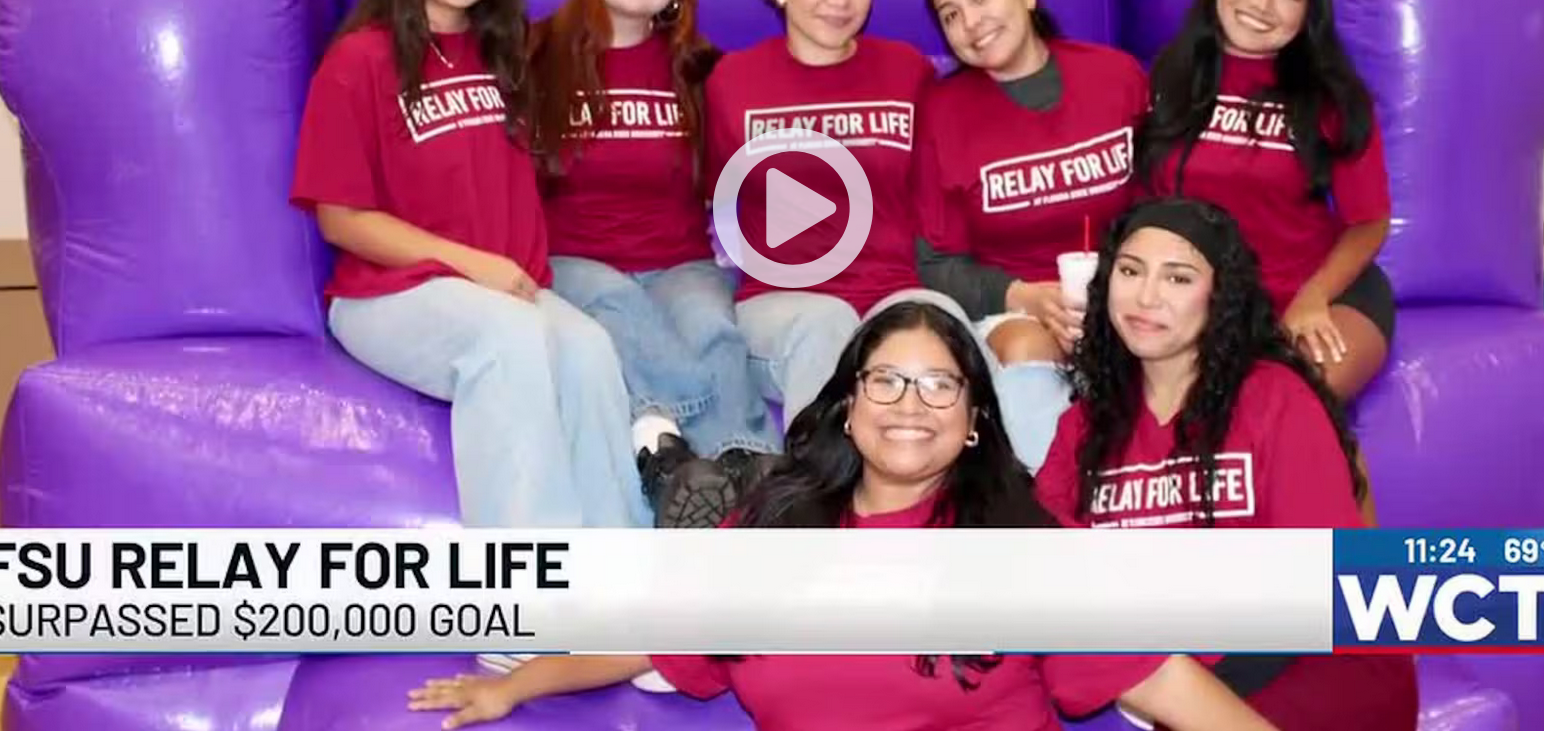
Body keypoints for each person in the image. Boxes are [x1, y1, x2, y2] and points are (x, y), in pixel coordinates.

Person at [408, 301, 1281, 731]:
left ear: (977, 418)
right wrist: (514, 684)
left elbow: (1177, 691)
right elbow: (651, 638)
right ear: (849, 408)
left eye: (942, 384)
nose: (911, 403)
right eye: (886, 381)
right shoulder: (763, 539)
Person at [289, 0, 648, 530]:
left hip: (502, 289)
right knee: (510, 340)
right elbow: (340, 219)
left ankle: (618, 586)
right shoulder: (358, 62)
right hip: (388, 295)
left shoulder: (500, 55)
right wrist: (470, 264)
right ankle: (524, 608)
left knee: (592, 351)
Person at [1036, 196, 1417, 729]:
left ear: (1218, 298)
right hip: (1163, 673)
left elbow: (1319, 576)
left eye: (1178, 279)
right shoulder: (1083, 426)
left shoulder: (1273, 396)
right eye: (1129, 270)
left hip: (1306, 659)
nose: (1146, 297)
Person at [527, 0, 780, 529]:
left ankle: (745, 465)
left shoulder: (698, 69)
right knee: (617, 310)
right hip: (570, 259)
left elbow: (746, 171)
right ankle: (663, 454)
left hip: (678, 258)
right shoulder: (536, 55)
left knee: (715, 327)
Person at [703, 0, 977, 423]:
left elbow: (934, 202)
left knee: (945, 326)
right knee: (825, 323)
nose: (841, 1)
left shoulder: (905, 70)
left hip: (891, 292)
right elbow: (713, 202)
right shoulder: (733, 81)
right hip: (782, 307)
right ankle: (817, 499)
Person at [913, 0, 1149, 470]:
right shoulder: (943, 113)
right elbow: (936, 263)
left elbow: (1163, 209)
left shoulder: (1116, 77)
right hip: (1014, 311)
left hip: (1129, 298)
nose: (971, 22)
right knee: (1025, 349)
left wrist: (1125, 292)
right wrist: (1026, 297)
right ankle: (1057, 514)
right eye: (951, 15)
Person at [1137, 0, 1394, 402]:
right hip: (1210, 305)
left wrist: (1313, 297)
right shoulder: (1166, 78)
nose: (1262, 3)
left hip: (1321, 293)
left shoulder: (1332, 97)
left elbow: (1370, 222)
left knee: (1297, 409)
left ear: (1307, 13)